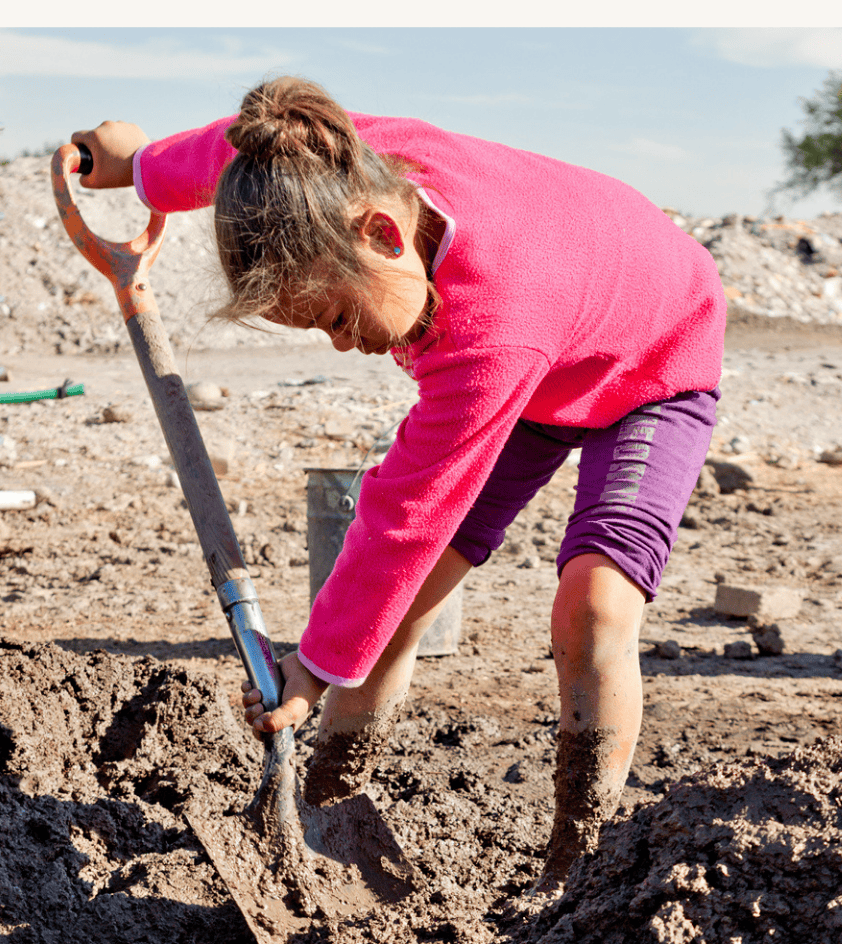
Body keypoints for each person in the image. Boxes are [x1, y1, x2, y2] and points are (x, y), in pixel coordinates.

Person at [71, 76, 724, 891]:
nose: (346, 347)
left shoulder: (491, 328)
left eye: (340, 319)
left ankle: (574, 870)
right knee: (397, 607)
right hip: (544, 354)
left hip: (651, 362)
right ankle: (328, 806)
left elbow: (404, 515)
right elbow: (240, 149)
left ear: (383, 234)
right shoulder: (336, 157)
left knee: (594, 606)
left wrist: (311, 668)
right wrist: (138, 169)